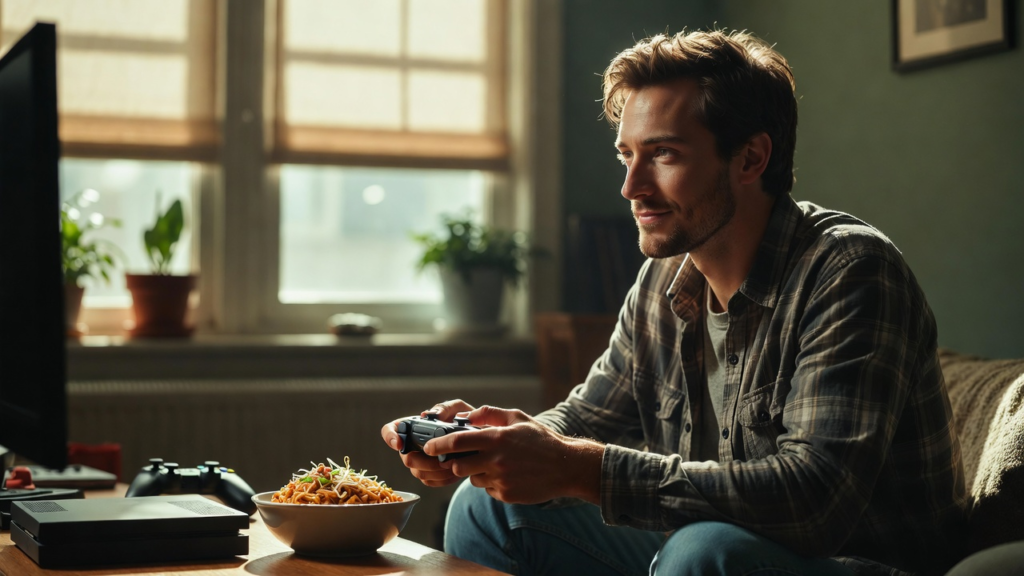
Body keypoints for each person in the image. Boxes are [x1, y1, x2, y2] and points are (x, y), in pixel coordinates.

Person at [381, 29, 967, 576]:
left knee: (702, 549)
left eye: (662, 154)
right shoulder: (663, 281)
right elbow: (587, 421)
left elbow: (814, 502)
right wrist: (500, 444)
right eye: (625, 155)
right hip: (710, 548)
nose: (631, 187)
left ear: (750, 158)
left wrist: (579, 468)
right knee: (487, 508)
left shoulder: (851, 271)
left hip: (855, 562)